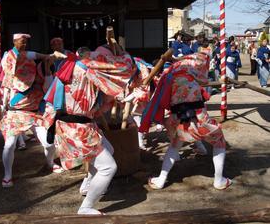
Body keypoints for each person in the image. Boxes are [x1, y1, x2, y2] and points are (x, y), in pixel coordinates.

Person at [43, 45, 136, 215]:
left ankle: (87, 185)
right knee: (108, 167)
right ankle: (86, 207)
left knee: (109, 150)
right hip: (77, 127)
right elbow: (124, 67)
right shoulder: (88, 69)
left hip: (76, 124)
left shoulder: (72, 66)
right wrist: (122, 55)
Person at [140, 53, 232, 191]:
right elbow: (204, 80)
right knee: (219, 142)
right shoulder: (192, 71)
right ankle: (219, 180)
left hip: (177, 118)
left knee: (174, 147)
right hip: (198, 117)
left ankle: (160, 180)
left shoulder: (169, 74)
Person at [0, 33, 63, 188]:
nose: (25, 44)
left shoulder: (39, 68)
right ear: (14, 42)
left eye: (27, 42)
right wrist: (48, 55)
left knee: (49, 144)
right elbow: (23, 54)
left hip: (35, 111)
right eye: (22, 41)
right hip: (16, 111)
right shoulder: (11, 58)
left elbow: (48, 88)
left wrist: (48, 66)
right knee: (9, 145)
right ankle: (7, 175)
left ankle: (50, 163)